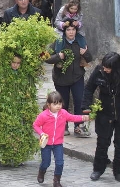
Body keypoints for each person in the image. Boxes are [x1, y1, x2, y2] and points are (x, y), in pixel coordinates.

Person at [45, 19, 93, 138]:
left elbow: (90, 58)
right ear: (64, 31)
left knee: (79, 101)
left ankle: (79, 126)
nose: (71, 32)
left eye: (73, 30)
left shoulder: (80, 42)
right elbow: (46, 57)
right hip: (61, 79)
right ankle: (63, 126)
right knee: (63, 103)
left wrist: (85, 53)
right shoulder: (58, 42)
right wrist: (58, 56)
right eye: (68, 30)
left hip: (77, 77)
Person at [33, 91, 89, 186]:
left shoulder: (63, 113)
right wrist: (42, 133)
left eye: (59, 103)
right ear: (49, 105)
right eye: (55, 104)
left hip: (58, 143)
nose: (58, 106)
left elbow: (72, 117)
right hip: (46, 143)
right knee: (46, 162)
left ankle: (57, 180)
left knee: (60, 163)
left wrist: (82, 118)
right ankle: (42, 172)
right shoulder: (43, 115)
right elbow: (36, 125)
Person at [82, 52, 120, 182]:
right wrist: (86, 105)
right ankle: (98, 169)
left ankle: (118, 171)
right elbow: (89, 88)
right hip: (104, 111)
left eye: (108, 68)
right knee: (103, 142)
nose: (105, 69)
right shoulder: (99, 71)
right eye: (104, 66)